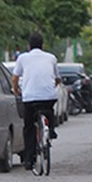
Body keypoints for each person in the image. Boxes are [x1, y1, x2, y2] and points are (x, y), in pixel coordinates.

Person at [11, 32, 60, 170]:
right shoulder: (51, 58)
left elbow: (15, 79)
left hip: (30, 98)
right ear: (42, 45)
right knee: (49, 110)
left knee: (29, 128)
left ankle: (29, 160)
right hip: (48, 97)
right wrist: (52, 85)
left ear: (29, 46)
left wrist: (16, 90)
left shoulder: (23, 58)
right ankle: (51, 129)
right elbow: (57, 78)